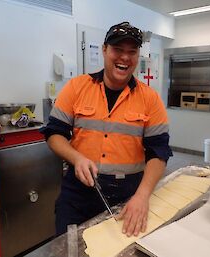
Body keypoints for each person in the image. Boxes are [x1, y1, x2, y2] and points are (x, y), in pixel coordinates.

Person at [40, 21, 172, 237]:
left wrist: (142, 196)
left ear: (138, 56)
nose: (125, 57)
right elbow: (54, 134)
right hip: (78, 194)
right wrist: (77, 158)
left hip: (129, 194)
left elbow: (159, 152)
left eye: (132, 51)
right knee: (69, 249)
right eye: (118, 50)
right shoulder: (76, 87)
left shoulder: (150, 99)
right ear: (104, 50)